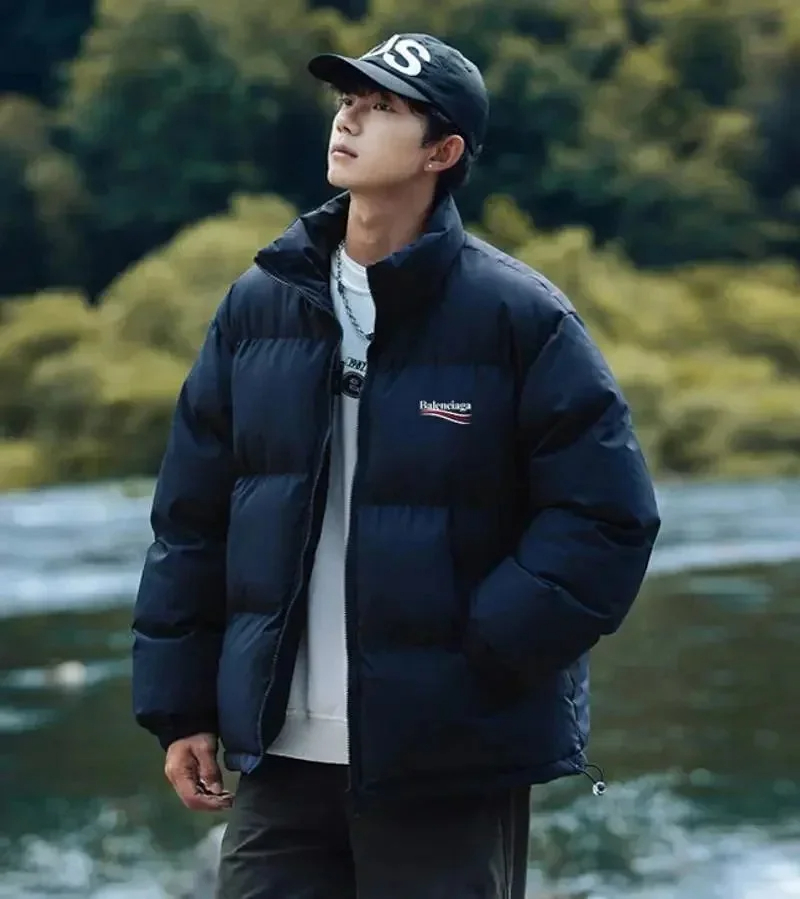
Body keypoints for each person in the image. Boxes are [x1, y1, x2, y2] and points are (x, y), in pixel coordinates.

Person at [132, 32, 661, 899]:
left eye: (381, 108)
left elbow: (609, 518)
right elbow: (191, 521)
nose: (348, 120)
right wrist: (181, 706)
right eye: (348, 101)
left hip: (447, 756)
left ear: (441, 152)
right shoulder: (260, 305)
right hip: (280, 754)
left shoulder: (519, 317)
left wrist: (484, 649)